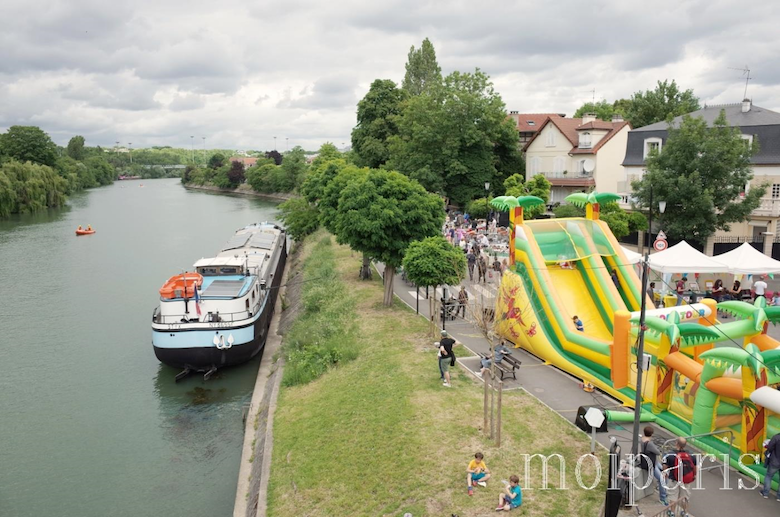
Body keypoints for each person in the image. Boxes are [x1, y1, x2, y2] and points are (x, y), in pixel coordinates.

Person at [662, 437, 697, 516]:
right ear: (685, 445)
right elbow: (695, 467)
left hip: (674, 479)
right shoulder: (691, 454)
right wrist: (694, 475)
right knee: (685, 497)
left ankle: (672, 512)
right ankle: (685, 512)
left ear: (676, 443)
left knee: (673, 496)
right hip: (686, 479)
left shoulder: (670, 454)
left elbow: (665, 467)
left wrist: (665, 475)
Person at [640, 426, 667, 505]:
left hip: (650, 461)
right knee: (662, 478)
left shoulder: (642, 439)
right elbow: (658, 452)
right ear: (651, 434)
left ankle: (660, 488)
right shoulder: (650, 444)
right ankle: (662, 497)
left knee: (663, 472)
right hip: (652, 463)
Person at [761, 432, 780, 499]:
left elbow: (770, 447)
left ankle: (765, 493)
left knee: (769, 476)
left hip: (775, 461)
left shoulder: (776, 437)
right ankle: (779, 497)